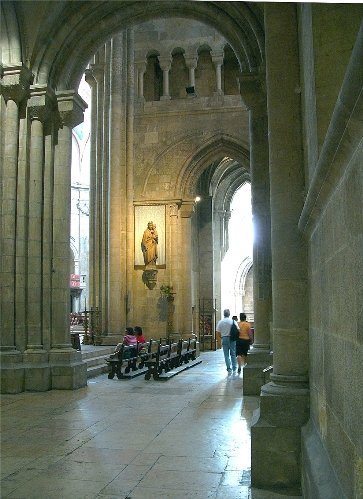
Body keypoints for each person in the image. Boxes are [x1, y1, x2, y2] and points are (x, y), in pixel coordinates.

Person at [216, 309, 238, 374]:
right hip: (232, 338)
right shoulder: (233, 321)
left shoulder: (220, 322)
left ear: (223, 314)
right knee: (233, 354)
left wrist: (221, 338)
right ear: (229, 314)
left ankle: (229, 368)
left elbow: (217, 332)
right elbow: (238, 330)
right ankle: (234, 367)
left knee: (226, 355)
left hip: (224, 338)